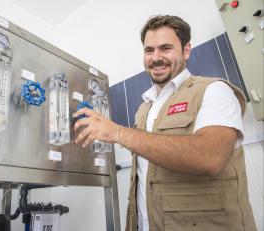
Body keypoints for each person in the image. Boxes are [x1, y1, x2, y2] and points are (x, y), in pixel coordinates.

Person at [73, 15, 256, 231]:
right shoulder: (145, 108)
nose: (156, 57)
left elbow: (210, 157)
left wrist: (118, 132)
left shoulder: (214, 90)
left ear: (186, 51)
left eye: (165, 48)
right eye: (149, 50)